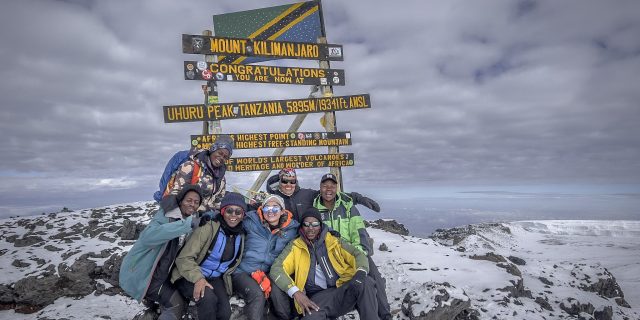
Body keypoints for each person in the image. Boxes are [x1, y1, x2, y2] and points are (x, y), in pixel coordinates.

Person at [270, 208, 379, 319]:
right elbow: (276, 268)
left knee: (366, 282)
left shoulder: (334, 241)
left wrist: (360, 273)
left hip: (341, 289)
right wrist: (296, 292)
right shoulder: (295, 246)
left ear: (321, 225)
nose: (310, 228)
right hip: (317, 299)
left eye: (315, 224)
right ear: (301, 226)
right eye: (306, 224)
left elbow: (357, 254)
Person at [313, 173, 392, 320]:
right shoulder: (314, 207)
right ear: (320, 188)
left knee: (375, 278)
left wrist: (360, 252)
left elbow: (358, 230)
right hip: (332, 256)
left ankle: (385, 316)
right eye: (325, 185)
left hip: (355, 251)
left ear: (337, 187)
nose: (328, 189)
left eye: (332, 185)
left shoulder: (347, 205)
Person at [119, 185, 204, 320]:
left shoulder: (187, 219)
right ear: (181, 200)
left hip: (161, 275)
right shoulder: (166, 215)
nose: (192, 204)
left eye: (196, 202)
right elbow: (148, 237)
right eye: (189, 200)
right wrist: (186, 225)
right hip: (144, 276)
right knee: (176, 304)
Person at [170, 192, 247, 320]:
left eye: (238, 211)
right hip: (190, 275)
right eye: (229, 210)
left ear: (243, 214)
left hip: (215, 278)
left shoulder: (241, 235)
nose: (233, 215)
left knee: (224, 312)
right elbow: (184, 258)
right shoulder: (208, 227)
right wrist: (199, 279)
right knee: (208, 299)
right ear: (222, 211)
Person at [232, 194, 299, 319]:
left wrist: (326, 230)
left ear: (282, 211)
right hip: (244, 272)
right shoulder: (251, 221)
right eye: (267, 208)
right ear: (262, 209)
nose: (270, 211)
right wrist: (211, 217)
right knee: (258, 295)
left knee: (279, 299)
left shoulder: (291, 229)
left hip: (269, 273)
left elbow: (309, 227)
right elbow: (231, 218)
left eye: (275, 208)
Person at [265, 168, 380, 222]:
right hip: (283, 240)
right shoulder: (272, 199)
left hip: (307, 237)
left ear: (296, 182)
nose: (288, 185)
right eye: (285, 181)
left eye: (292, 181)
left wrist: (358, 198)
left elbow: (329, 194)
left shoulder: (307, 194)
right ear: (280, 181)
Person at [163, 136, 234, 213]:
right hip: (184, 216)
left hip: (204, 218)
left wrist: (212, 214)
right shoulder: (191, 166)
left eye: (225, 157)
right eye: (220, 153)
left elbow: (218, 203)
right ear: (213, 149)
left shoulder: (221, 178)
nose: (221, 157)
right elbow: (176, 194)